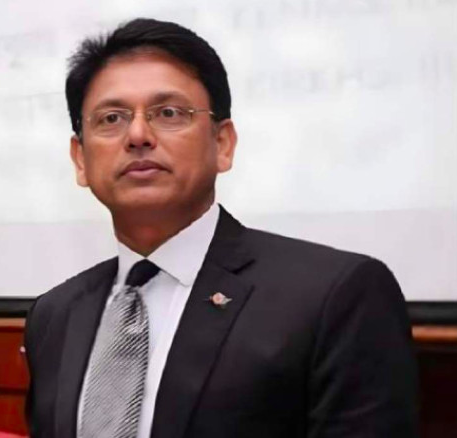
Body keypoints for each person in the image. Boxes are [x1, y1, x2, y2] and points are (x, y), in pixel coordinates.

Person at [23, 18, 418, 438]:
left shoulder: (336, 296)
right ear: (80, 159)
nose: (137, 134)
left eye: (169, 113)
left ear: (223, 144)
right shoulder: (55, 315)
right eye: (111, 118)